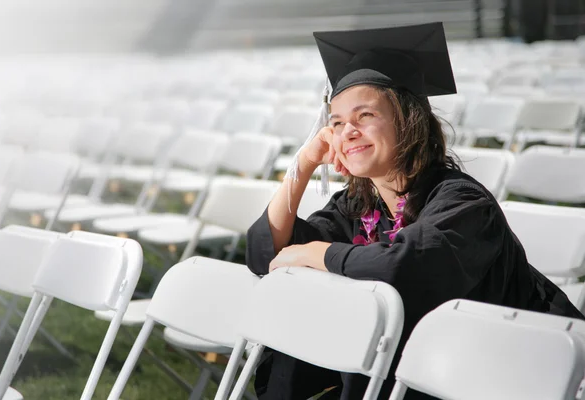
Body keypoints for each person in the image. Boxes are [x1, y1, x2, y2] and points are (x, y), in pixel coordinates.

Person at [246, 22, 584, 400]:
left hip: (515, 373)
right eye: (337, 123)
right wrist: (305, 162)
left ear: (409, 121)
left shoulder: (462, 203)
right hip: (426, 371)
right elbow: (266, 254)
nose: (347, 132)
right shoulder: (358, 205)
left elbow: (403, 268)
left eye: (365, 117)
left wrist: (314, 253)